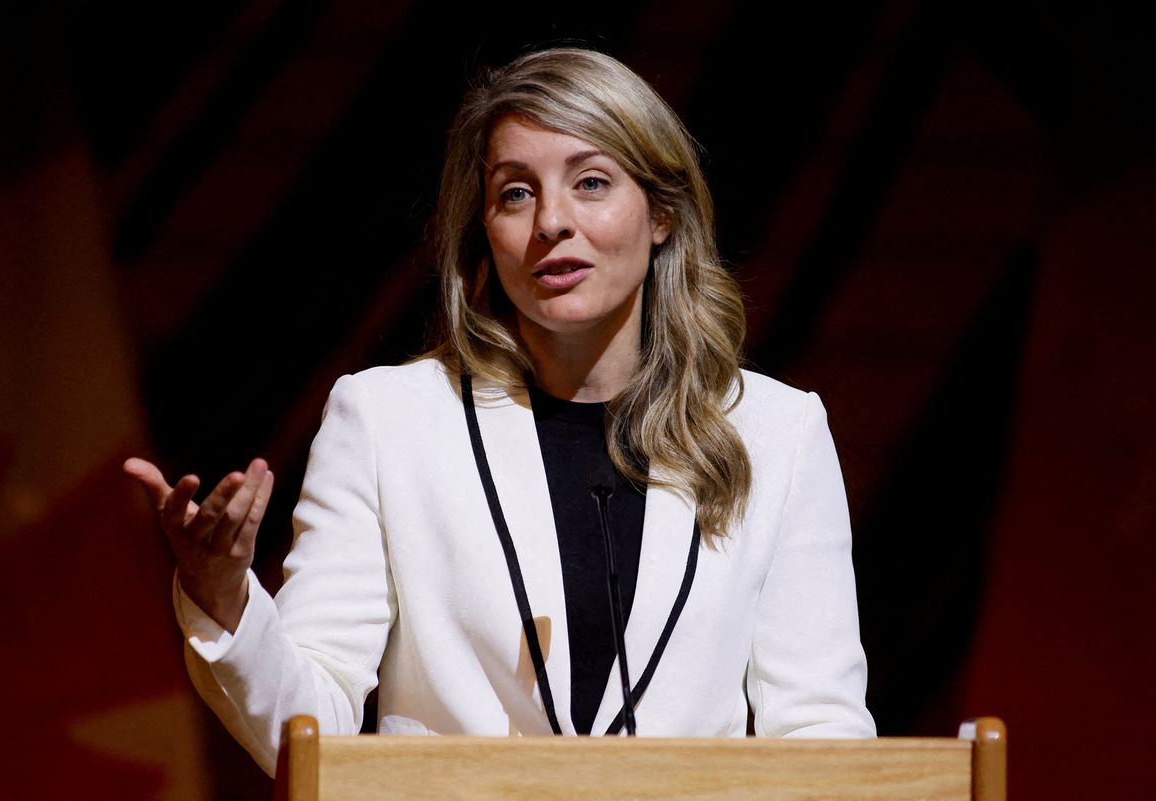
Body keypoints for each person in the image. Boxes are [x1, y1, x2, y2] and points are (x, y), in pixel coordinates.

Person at [125, 47, 875, 777]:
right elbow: (309, 729)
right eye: (516, 192)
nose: (551, 221)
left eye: (590, 182)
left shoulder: (777, 433)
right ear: (484, 231)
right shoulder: (388, 420)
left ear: (662, 215)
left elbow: (822, 734)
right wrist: (223, 596)